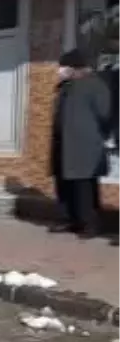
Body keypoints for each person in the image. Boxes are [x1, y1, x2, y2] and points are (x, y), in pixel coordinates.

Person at [50, 49, 112, 237]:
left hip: (84, 145)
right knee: (64, 183)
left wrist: (98, 136)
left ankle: (89, 224)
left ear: (77, 67)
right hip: (63, 143)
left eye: (64, 67)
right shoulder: (66, 86)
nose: (61, 70)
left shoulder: (95, 85)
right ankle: (71, 219)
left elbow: (105, 115)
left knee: (84, 186)